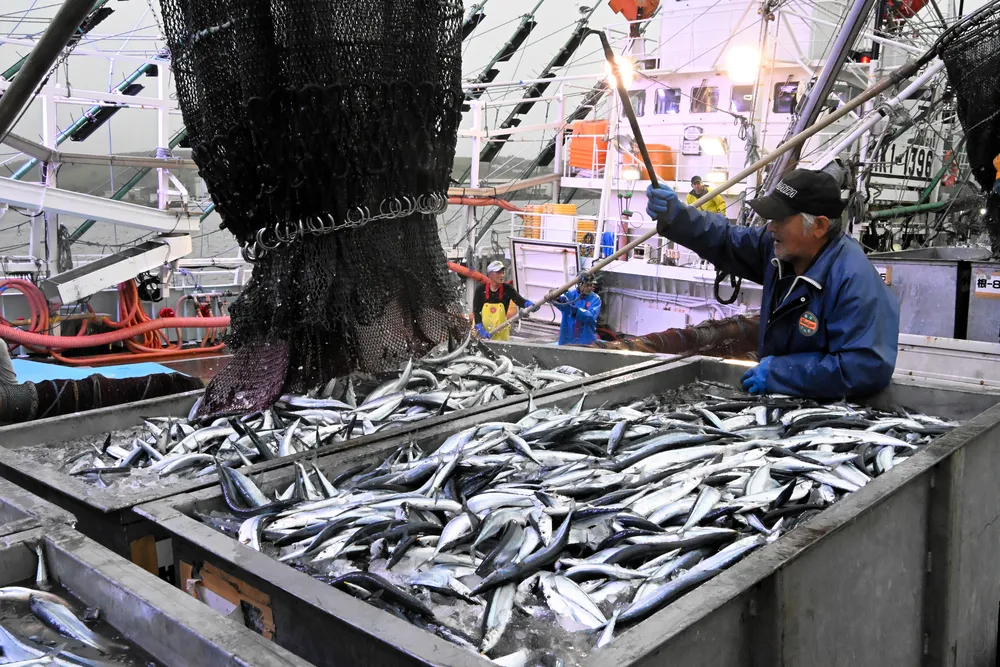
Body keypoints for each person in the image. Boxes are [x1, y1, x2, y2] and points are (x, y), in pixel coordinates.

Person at [646, 168, 900, 399]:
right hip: (783, 402)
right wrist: (678, 217)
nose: (770, 228)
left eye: (780, 218)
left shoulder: (853, 281)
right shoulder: (782, 249)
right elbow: (726, 239)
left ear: (819, 226)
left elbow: (865, 367)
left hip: (826, 416)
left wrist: (780, 373)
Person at [473, 260, 533, 341]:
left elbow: (519, 301)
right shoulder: (480, 290)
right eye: (498, 272)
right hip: (481, 331)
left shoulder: (507, 289)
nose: (502, 275)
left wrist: (528, 304)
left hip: (500, 331)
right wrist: (480, 328)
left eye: (503, 272)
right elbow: (476, 311)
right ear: (490, 274)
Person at [554, 274, 602, 345]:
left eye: (591, 285)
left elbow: (591, 316)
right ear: (579, 284)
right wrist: (556, 297)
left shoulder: (595, 299)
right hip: (568, 336)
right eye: (586, 285)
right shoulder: (570, 295)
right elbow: (562, 306)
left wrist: (576, 311)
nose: (589, 288)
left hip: (586, 338)